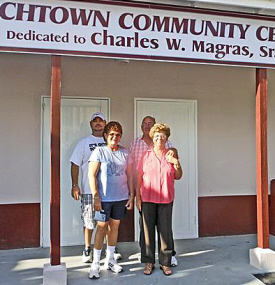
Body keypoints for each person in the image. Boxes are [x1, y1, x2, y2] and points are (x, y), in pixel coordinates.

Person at [70, 112, 122, 263]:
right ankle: (87, 248)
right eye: (95, 121)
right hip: (89, 191)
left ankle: (110, 248)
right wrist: (75, 185)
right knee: (89, 222)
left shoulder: (112, 142)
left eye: (101, 121)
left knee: (108, 222)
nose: (98, 123)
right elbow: (75, 164)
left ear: (105, 124)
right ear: (90, 124)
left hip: (109, 192)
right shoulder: (84, 143)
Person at [129, 116, 178, 267]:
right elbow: (135, 172)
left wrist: (175, 156)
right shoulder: (137, 146)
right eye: (145, 124)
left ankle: (168, 259)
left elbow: (174, 155)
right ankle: (147, 259)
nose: (148, 126)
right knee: (146, 230)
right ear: (142, 126)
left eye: (151, 124)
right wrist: (135, 196)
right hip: (146, 196)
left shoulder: (168, 147)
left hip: (165, 196)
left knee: (165, 230)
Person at [88, 121, 134, 279]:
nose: (115, 137)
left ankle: (110, 259)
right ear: (106, 136)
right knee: (101, 228)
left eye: (118, 134)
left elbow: (130, 176)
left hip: (121, 197)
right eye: (112, 134)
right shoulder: (99, 152)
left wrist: (132, 195)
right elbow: (91, 175)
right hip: (104, 199)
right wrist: (96, 196)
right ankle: (95, 263)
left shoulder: (125, 153)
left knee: (114, 227)